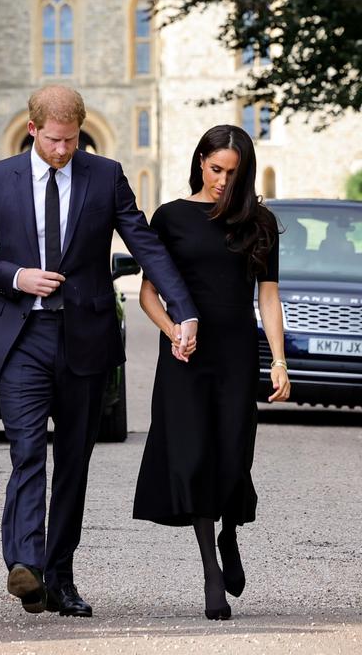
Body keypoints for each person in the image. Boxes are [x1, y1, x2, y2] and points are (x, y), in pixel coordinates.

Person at [0, 85, 198, 618]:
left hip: (85, 342)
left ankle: (59, 576)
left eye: (71, 140)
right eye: (54, 140)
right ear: (31, 128)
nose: (64, 150)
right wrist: (16, 275)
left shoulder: (105, 175)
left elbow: (145, 244)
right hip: (23, 338)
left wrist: (184, 309)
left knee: (73, 463)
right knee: (26, 452)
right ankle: (25, 563)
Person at [133, 125, 290, 620]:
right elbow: (148, 294)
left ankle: (231, 534)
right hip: (186, 357)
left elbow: (268, 296)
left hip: (237, 354)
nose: (222, 180)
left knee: (231, 453)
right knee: (193, 456)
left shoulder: (259, 222)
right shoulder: (171, 218)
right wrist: (173, 331)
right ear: (200, 160)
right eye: (215, 168)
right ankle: (210, 576)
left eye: (232, 172)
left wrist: (279, 359)